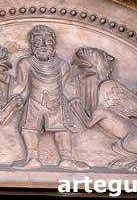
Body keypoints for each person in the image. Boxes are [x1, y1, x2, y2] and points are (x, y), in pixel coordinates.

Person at [9, 25, 87, 169]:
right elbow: (20, 85)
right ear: (32, 45)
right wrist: (13, 95)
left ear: (54, 45)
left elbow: (66, 86)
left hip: (57, 102)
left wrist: (74, 98)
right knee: (28, 128)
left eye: (49, 42)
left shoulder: (62, 64)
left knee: (63, 129)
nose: (44, 45)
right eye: (38, 42)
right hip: (34, 102)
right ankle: (32, 158)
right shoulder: (26, 63)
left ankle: (67, 159)